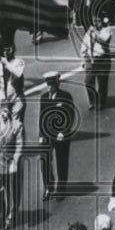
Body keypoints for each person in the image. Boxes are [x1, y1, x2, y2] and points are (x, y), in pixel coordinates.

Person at [38, 71, 75, 200]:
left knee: (61, 162)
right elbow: (42, 117)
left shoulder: (66, 96)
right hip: (47, 135)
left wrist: (63, 132)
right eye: (48, 85)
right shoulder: (43, 97)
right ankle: (48, 187)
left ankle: (61, 190)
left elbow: (70, 115)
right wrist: (41, 134)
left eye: (52, 85)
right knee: (45, 161)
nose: (50, 87)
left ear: (57, 83)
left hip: (61, 135)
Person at [0, 106, 24, 230]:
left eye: (6, 111)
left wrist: (16, 160)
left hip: (10, 162)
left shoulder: (17, 125)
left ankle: (10, 216)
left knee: (12, 192)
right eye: (1, 110)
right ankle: (0, 215)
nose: (3, 113)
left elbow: (19, 145)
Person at [80, 16, 112, 110]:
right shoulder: (89, 32)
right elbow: (84, 46)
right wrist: (84, 59)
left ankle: (101, 103)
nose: (95, 23)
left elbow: (105, 40)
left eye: (98, 21)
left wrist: (95, 33)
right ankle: (93, 101)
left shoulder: (106, 30)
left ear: (102, 22)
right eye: (94, 21)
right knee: (88, 81)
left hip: (103, 60)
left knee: (102, 83)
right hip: (91, 60)